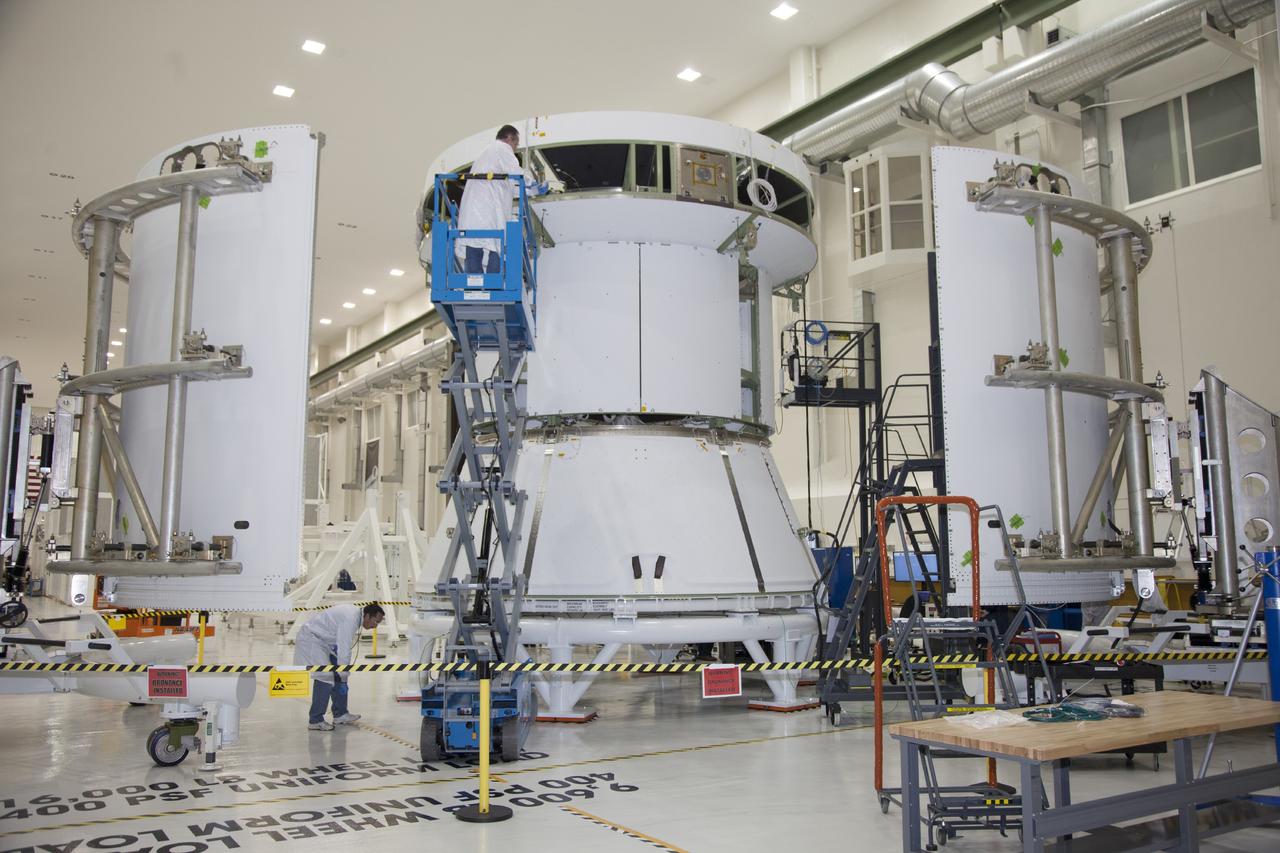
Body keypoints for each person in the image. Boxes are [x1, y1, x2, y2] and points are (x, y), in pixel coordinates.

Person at [456, 124, 547, 274]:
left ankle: (474, 282)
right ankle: (493, 283)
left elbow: (509, 186)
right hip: (487, 209)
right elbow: (516, 173)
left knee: (474, 247)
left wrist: (533, 190)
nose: (515, 148)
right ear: (509, 138)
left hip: (476, 211)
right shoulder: (501, 148)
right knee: (496, 246)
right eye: (516, 144)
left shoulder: (488, 156)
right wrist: (533, 183)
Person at [294, 602, 385, 731]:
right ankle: (315, 719)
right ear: (368, 616)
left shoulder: (354, 616)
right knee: (325, 676)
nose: (375, 627)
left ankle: (340, 714)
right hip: (312, 639)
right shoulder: (351, 617)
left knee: (340, 673)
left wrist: (342, 674)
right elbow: (344, 648)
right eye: (375, 622)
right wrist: (343, 674)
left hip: (324, 643)